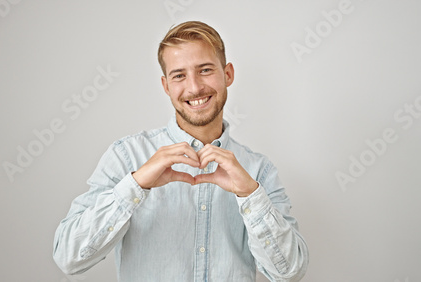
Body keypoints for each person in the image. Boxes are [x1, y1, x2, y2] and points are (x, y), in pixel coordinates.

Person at [53, 21, 309, 281]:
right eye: (179, 75)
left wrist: (250, 195)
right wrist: (136, 184)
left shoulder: (259, 171)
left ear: (228, 74)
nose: (195, 87)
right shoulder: (126, 156)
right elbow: (69, 258)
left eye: (205, 70)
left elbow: (289, 273)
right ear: (166, 86)